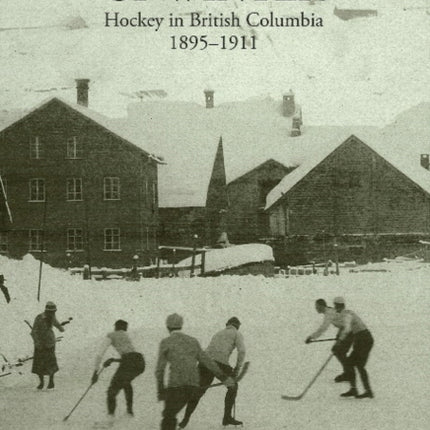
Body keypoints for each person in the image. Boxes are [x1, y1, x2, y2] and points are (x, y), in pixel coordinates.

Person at [155, 313, 235, 430]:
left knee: (168, 416)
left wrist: (160, 389)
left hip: (176, 386)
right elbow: (207, 362)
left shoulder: (166, 342)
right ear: (181, 325)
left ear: (168, 327)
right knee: (171, 413)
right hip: (193, 386)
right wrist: (224, 377)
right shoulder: (193, 341)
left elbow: (160, 369)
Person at [179, 316, 246, 428]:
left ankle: (185, 419)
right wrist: (237, 369)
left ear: (227, 324)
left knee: (199, 391)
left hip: (205, 362)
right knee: (233, 387)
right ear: (237, 326)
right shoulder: (237, 334)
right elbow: (242, 351)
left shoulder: (218, 333)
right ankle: (227, 418)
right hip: (220, 363)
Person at [91, 320, 145, 422]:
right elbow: (130, 356)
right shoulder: (125, 335)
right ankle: (129, 412)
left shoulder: (111, 335)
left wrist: (95, 372)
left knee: (112, 391)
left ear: (115, 327)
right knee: (126, 382)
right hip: (140, 362)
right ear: (124, 328)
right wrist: (113, 360)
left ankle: (110, 418)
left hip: (129, 361)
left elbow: (99, 354)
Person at [333, 297, 374, 399]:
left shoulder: (346, 315)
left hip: (364, 339)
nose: (335, 308)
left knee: (359, 365)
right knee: (351, 363)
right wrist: (340, 336)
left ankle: (365, 391)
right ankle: (355, 389)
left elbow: (346, 329)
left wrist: (340, 340)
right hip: (361, 339)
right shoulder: (347, 313)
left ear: (338, 305)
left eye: (335, 306)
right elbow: (346, 329)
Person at [305, 298, 353, 382]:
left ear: (321, 306)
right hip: (347, 331)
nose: (316, 308)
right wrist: (339, 334)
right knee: (338, 351)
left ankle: (349, 373)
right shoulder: (330, 312)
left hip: (350, 331)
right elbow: (341, 323)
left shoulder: (328, 313)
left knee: (338, 351)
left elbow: (323, 328)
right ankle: (348, 372)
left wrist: (311, 337)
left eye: (317, 306)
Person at [30, 301, 65, 389]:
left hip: (50, 343)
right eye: (51, 312)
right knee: (39, 365)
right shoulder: (39, 318)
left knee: (51, 363)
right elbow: (33, 332)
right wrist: (37, 342)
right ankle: (41, 382)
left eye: (54, 312)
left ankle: (51, 381)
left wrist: (61, 328)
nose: (52, 313)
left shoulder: (52, 317)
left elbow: (58, 325)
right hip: (40, 345)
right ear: (47, 311)